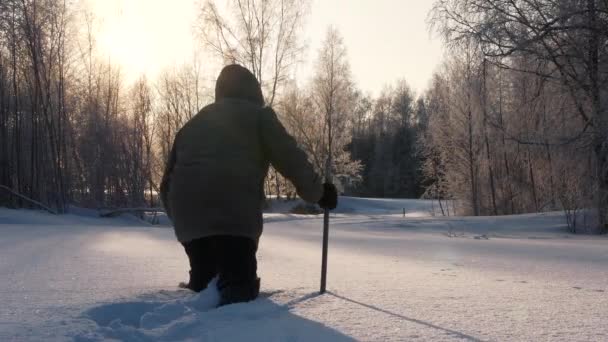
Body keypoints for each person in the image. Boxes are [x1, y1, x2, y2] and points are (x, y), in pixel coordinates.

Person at [160, 64, 338, 306]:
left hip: (189, 221)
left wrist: (187, 219)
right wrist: (320, 193)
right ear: (254, 91)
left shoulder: (193, 124)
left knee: (205, 287)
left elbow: (166, 184)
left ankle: (198, 303)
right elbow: (291, 159)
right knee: (237, 298)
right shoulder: (259, 116)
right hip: (234, 221)